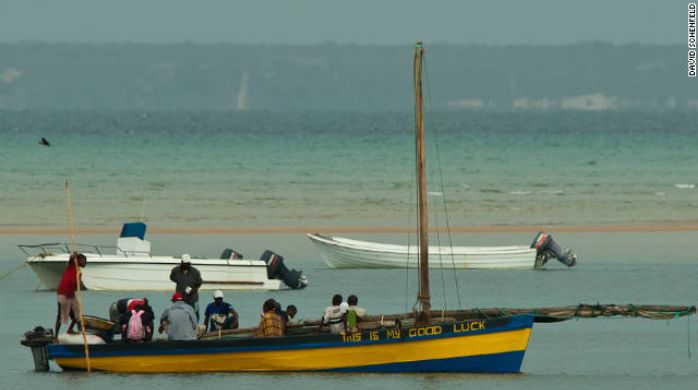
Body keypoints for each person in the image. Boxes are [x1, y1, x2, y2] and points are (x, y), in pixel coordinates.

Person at [55, 253, 87, 335]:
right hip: (63, 292)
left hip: (71, 294)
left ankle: (70, 330)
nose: (85, 262)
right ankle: (55, 336)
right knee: (61, 316)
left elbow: (76, 285)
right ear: (79, 260)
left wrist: (79, 284)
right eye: (84, 260)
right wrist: (74, 256)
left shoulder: (79, 272)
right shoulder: (72, 266)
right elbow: (71, 260)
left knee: (77, 315)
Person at [169, 254, 203, 321]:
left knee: (195, 313)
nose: (187, 265)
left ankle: (194, 327)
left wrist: (192, 289)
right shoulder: (175, 270)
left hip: (193, 299)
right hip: (180, 299)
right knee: (178, 314)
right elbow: (172, 278)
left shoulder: (195, 272)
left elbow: (199, 283)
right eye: (185, 264)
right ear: (181, 262)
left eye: (188, 264)